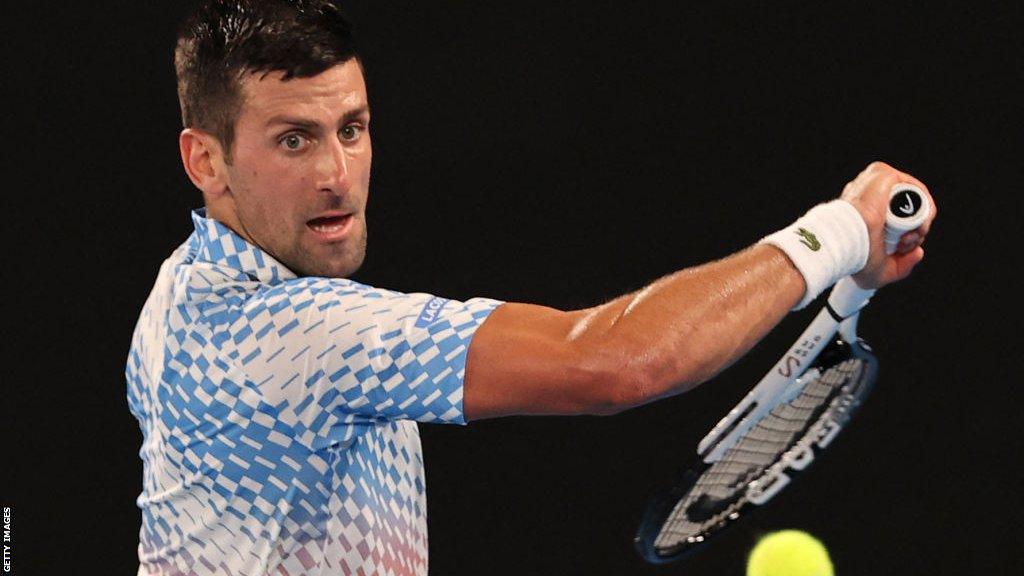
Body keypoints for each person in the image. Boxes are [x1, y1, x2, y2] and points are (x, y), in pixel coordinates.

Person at [125, 1, 936, 575]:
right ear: (206, 161)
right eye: (293, 139)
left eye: (352, 128)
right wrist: (838, 234)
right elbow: (619, 364)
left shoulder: (175, 297)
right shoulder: (293, 338)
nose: (338, 174)